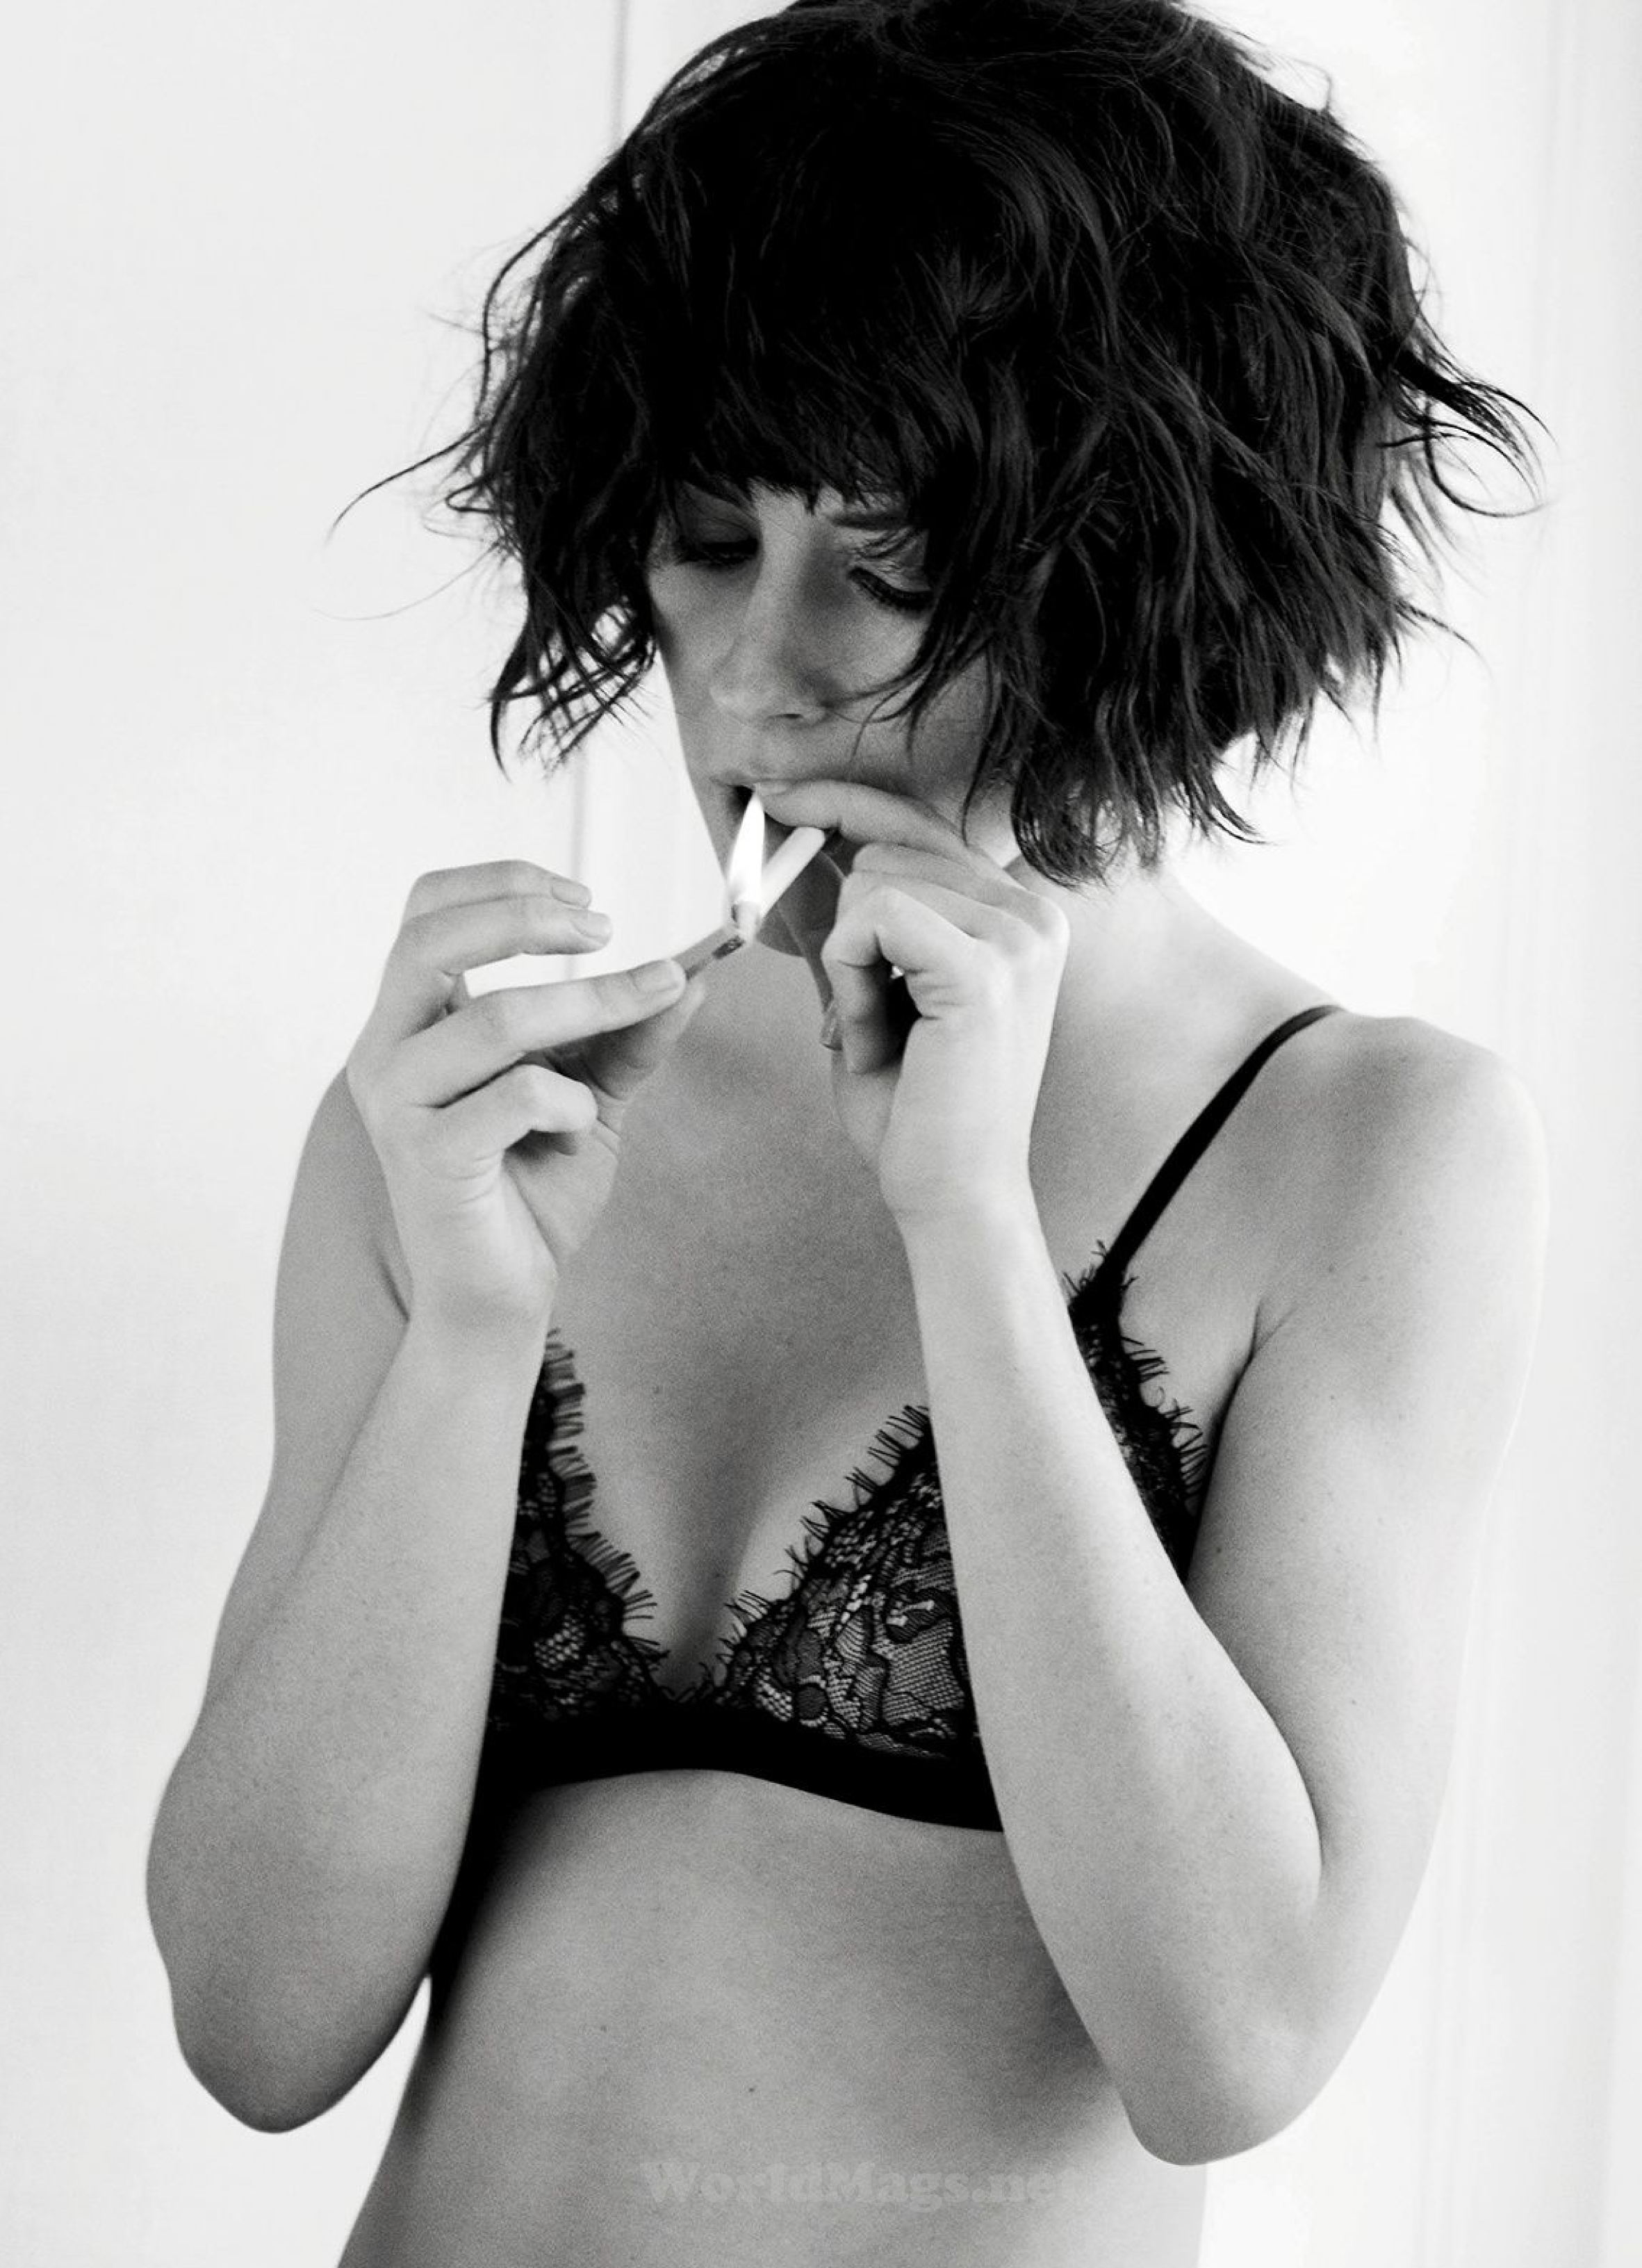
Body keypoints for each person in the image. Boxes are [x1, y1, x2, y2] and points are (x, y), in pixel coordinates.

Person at [145, 2, 1550, 2260]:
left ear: (1137, 580)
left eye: (883, 564)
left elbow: (1230, 2039)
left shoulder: (1360, 1148)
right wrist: (472, 1335)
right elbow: (254, 2026)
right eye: (709, 537)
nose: (754, 670)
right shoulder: (484, 1125)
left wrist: (969, 1235)